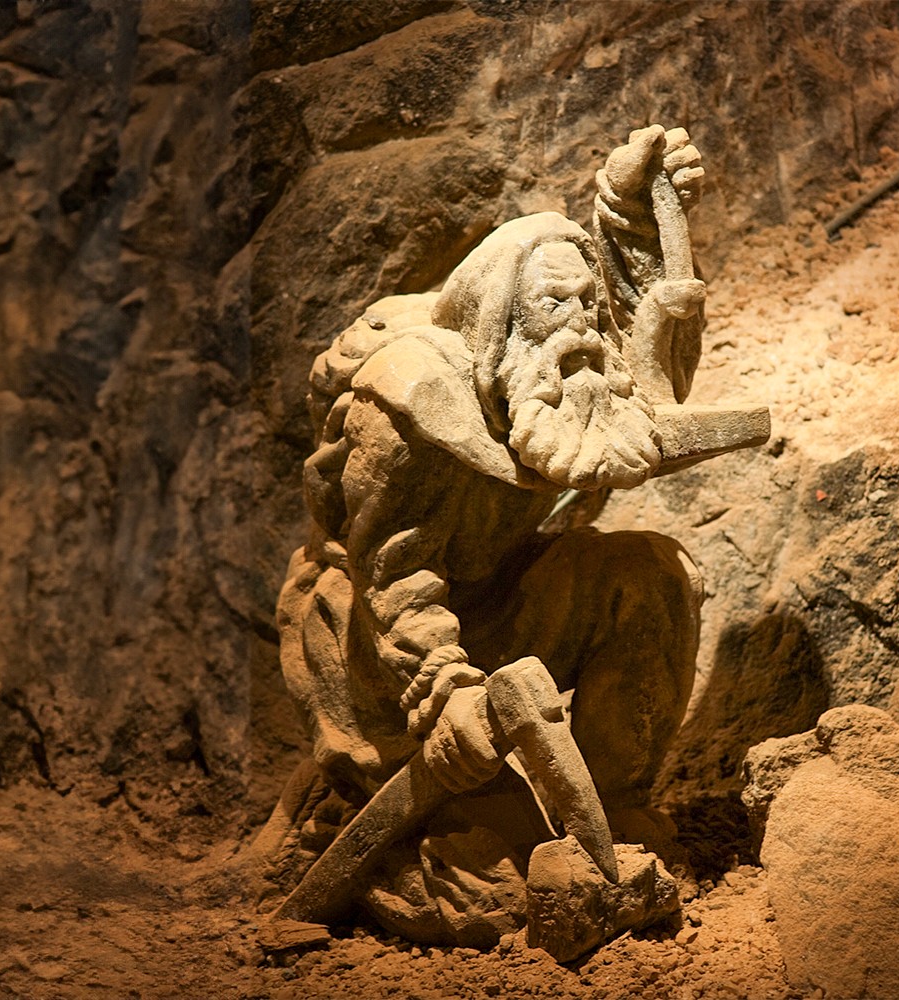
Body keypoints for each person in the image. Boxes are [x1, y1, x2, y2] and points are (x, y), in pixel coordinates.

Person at [265, 126, 709, 943]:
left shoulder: (553, 371)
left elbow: (644, 389)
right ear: (502, 318)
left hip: (498, 598)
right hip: (373, 641)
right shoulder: (406, 411)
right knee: (484, 896)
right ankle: (419, 830)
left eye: (585, 305)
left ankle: (612, 811)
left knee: (647, 573)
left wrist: (630, 218)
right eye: (554, 307)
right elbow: (391, 574)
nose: (578, 327)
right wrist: (444, 688)